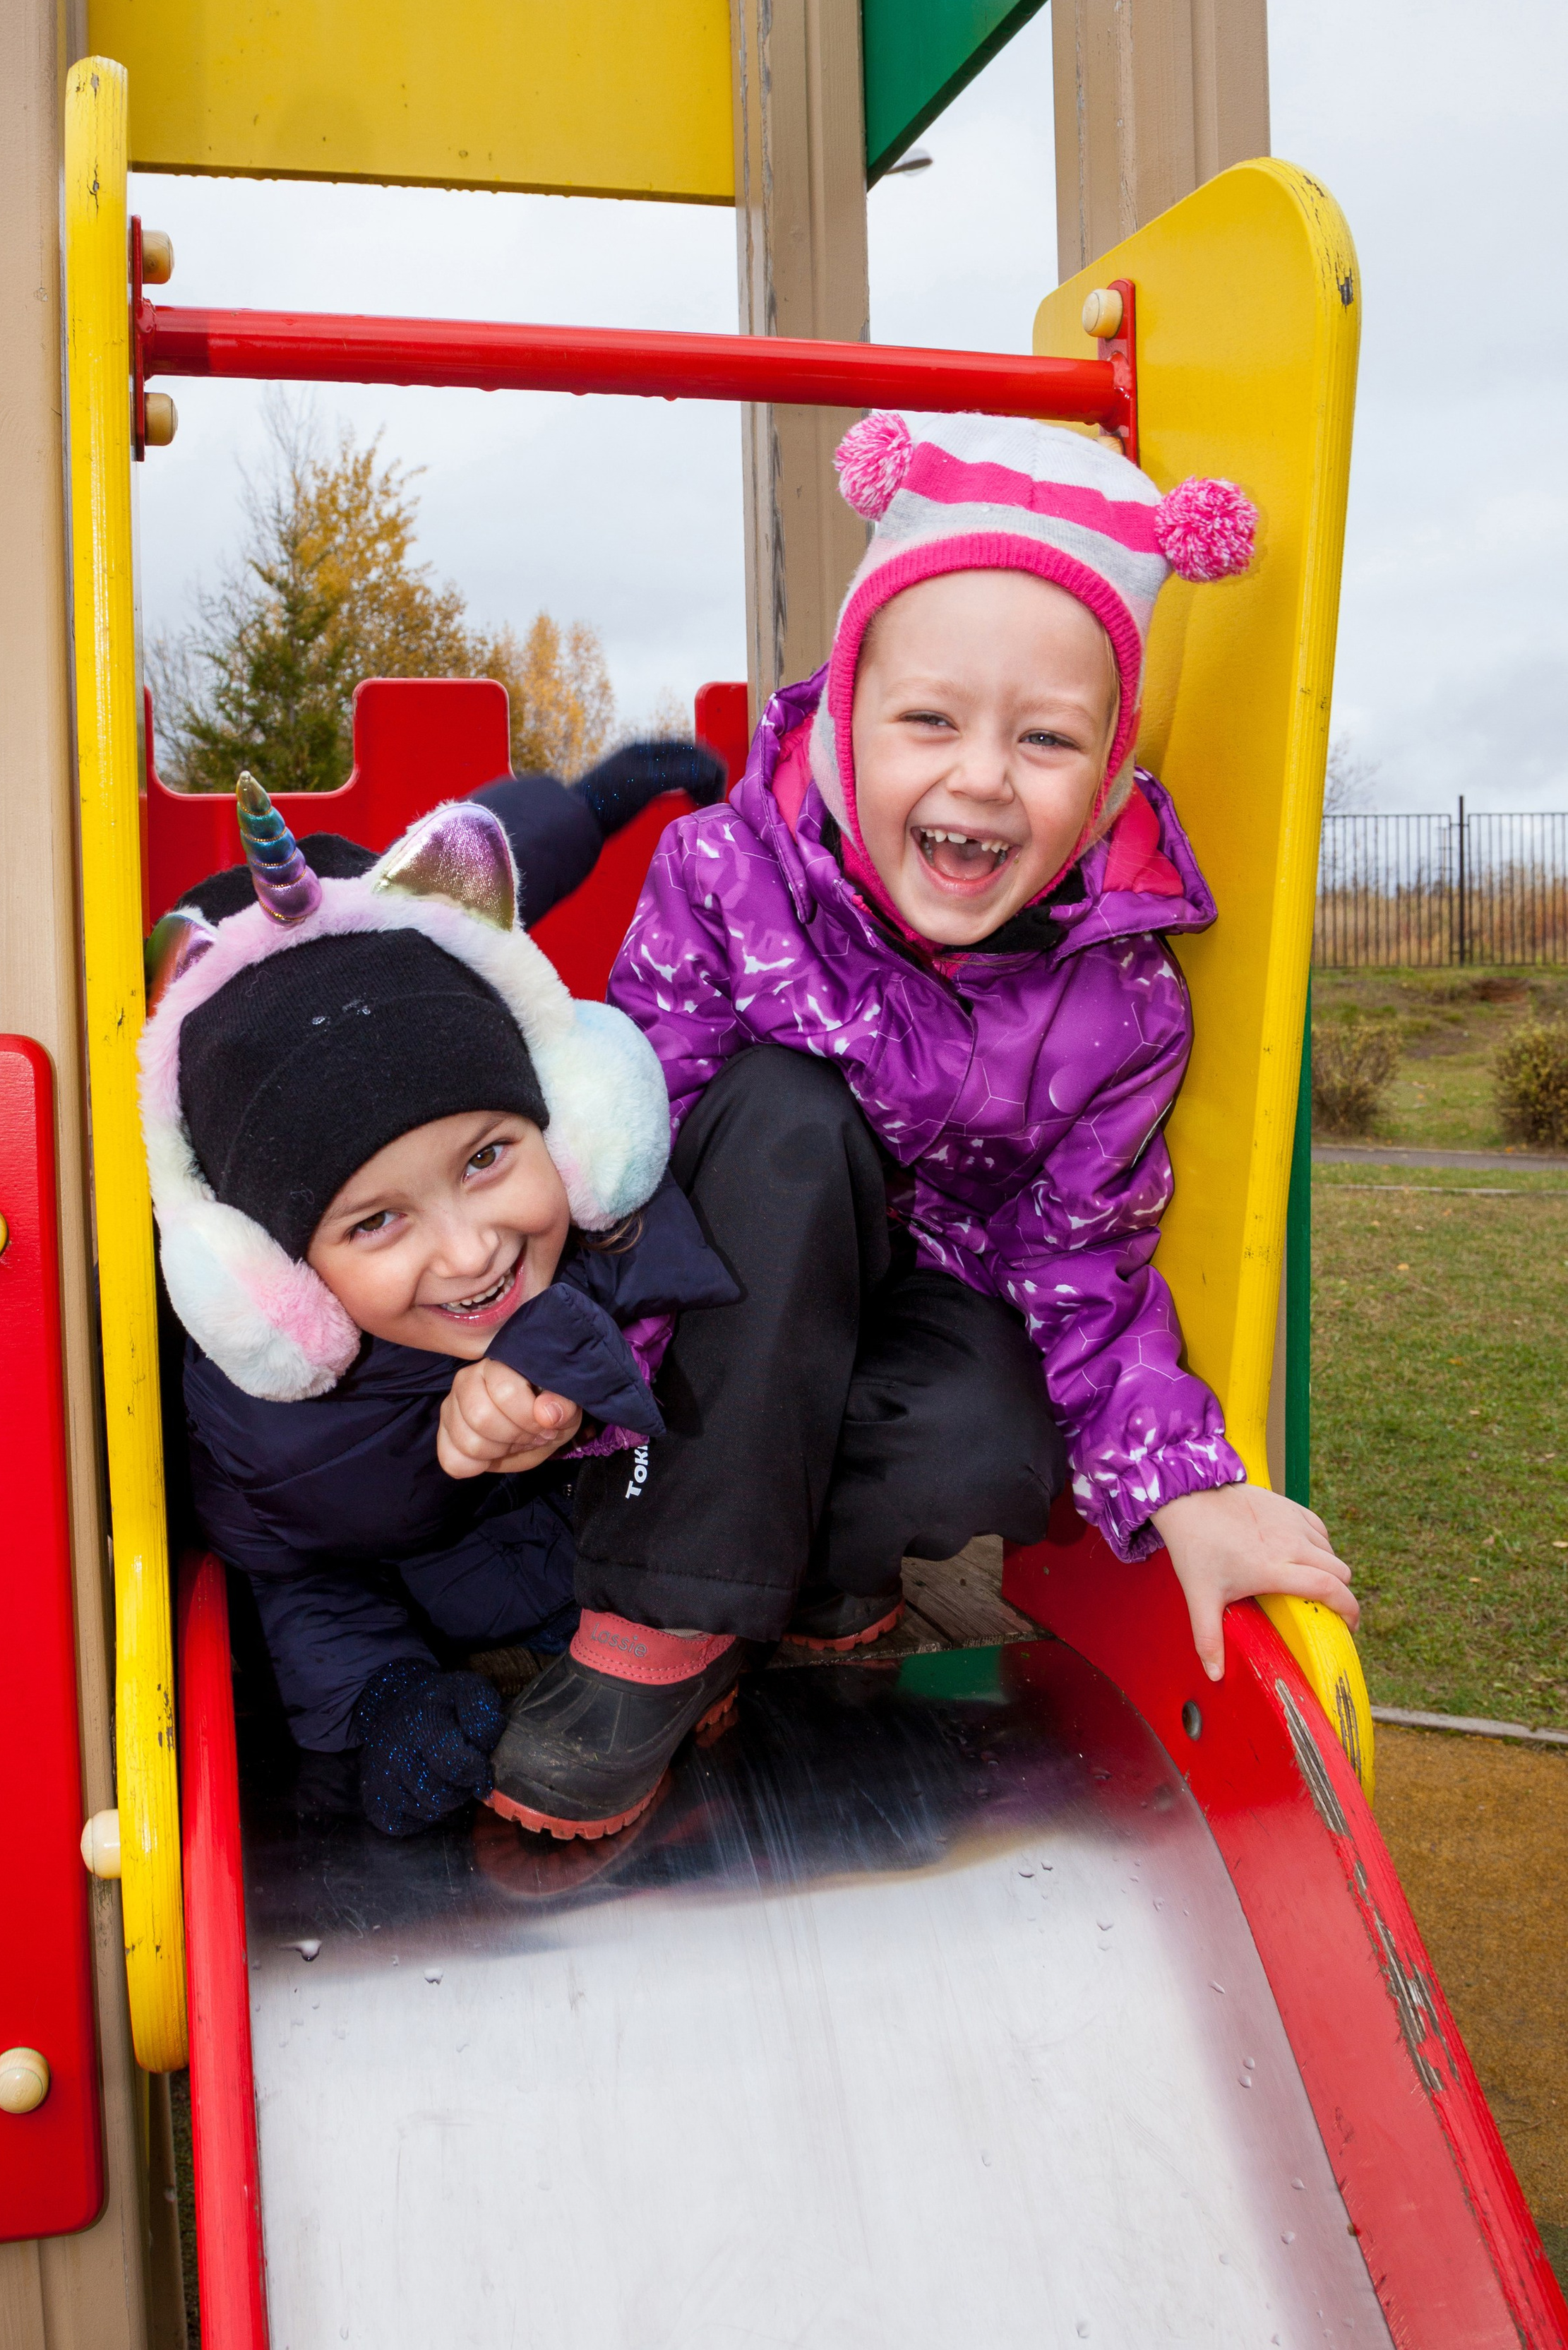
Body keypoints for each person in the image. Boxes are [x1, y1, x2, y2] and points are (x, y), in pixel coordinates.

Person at [488, 410, 1358, 1835]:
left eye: (1046, 738)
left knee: (999, 1444)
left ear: (1108, 778)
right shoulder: (726, 875)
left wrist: (1182, 1485)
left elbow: (1080, 1265)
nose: (981, 775)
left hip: (897, 1319)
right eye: (930, 720)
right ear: (844, 722)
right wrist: (582, 1384)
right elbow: (627, 1155)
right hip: (711, 1310)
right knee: (787, 1115)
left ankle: (798, 1574)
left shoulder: (1120, 1000)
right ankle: (663, 1617)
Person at [140, 746, 741, 1839]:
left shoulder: (594, 1217)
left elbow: (671, 1296)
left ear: (566, 1128)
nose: (471, 1254)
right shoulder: (263, 1416)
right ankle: (396, 1698)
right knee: (320, 1609)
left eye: (487, 1158)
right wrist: (380, 1701)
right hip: (365, 1571)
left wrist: (560, 1369)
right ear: (275, 1276)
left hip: (539, 1544)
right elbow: (297, 1573)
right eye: (375, 1221)